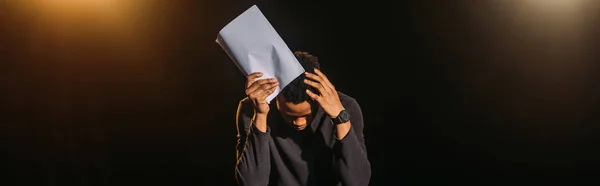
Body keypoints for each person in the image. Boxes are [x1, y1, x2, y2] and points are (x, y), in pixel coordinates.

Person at [234, 51, 371, 186]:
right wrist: (260, 115)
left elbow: (358, 181)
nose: (299, 122)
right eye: (288, 114)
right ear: (276, 96)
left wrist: (340, 118)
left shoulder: (346, 107)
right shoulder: (251, 109)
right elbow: (251, 183)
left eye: (307, 115)